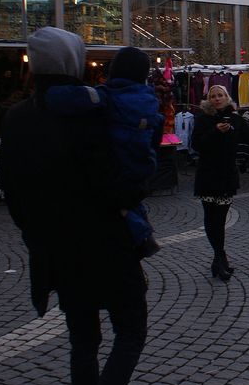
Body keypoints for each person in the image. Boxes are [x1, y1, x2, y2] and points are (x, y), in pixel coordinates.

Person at [1, 27, 148, 385]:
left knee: (83, 341)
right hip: (107, 243)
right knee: (131, 330)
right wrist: (136, 191)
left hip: (58, 252)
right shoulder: (92, 111)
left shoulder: (15, 118)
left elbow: (13, 193)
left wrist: (38, 235)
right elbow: (112, 180)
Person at [45, 46, 163, 258]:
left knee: (121, 207)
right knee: (131, 203)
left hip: (112, 170)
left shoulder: (105, 98)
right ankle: (142, 236)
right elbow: (154, 141)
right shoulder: (150, 102)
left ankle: (141, 234)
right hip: (139, 168)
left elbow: (57, 98)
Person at [192, 84, 249, 281]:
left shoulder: (236, 120)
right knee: (211, 218)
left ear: (227, 98)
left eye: (220, 95)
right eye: (213, 96)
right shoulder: (203, 119)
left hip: (227, 175)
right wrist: (215, 131)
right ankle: (220, 258)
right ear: (209, 99)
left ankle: (219, 258)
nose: (217, 98)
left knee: (220, 219)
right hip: (208, 175)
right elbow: (196, 145)